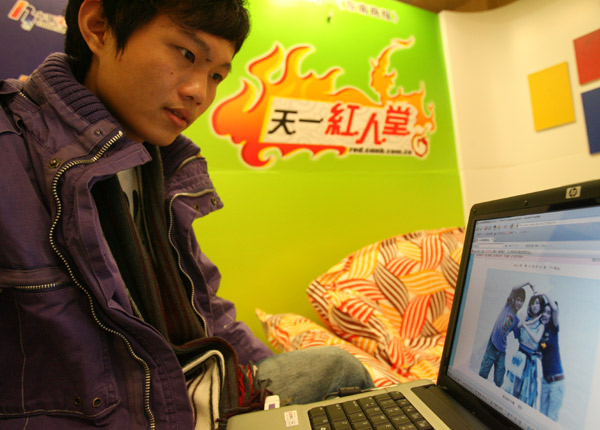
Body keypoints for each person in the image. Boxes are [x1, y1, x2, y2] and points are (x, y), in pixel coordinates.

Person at [0, 1, 373, 429]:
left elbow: (206, 310)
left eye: (216, 76)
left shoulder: (158, 163)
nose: (199, 93)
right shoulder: (12, 147)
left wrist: (265, 403)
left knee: (337, 369)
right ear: (98, 27)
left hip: (185, 392)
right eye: (186, 54)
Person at [479, 284, 526, 387]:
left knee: (499, 380)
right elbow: (514, 288)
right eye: (518, 300)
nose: (519, 303)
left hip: (502, 350)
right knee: (483, 373)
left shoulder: (517, 320)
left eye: (522, 301)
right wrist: (527, 283)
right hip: (493, 345)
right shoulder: (508, 306)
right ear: (514, 300)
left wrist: (523, 324)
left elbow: (520, 339)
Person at [510, 294, 546, 406]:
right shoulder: (526, 317)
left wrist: (526, 326)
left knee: (525, 391)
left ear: (541, 306)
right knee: (514, 388)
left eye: (537, 304)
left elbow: (536, 339)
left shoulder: (541, 325)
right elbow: (518, 326)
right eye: (533, 303)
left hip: (530, 360)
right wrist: (528, 323)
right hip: (520, 355)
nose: (534, 306)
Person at [538, 296, 564, 421]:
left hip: (556, 383)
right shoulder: (542, 332)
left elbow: (555, 308)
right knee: (541, 416)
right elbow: (543, 347)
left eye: (549, 313)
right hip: (545, 382)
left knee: (551, 418)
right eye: (544, 311)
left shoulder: (554, 328)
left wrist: (543, 293)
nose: (545, 315)